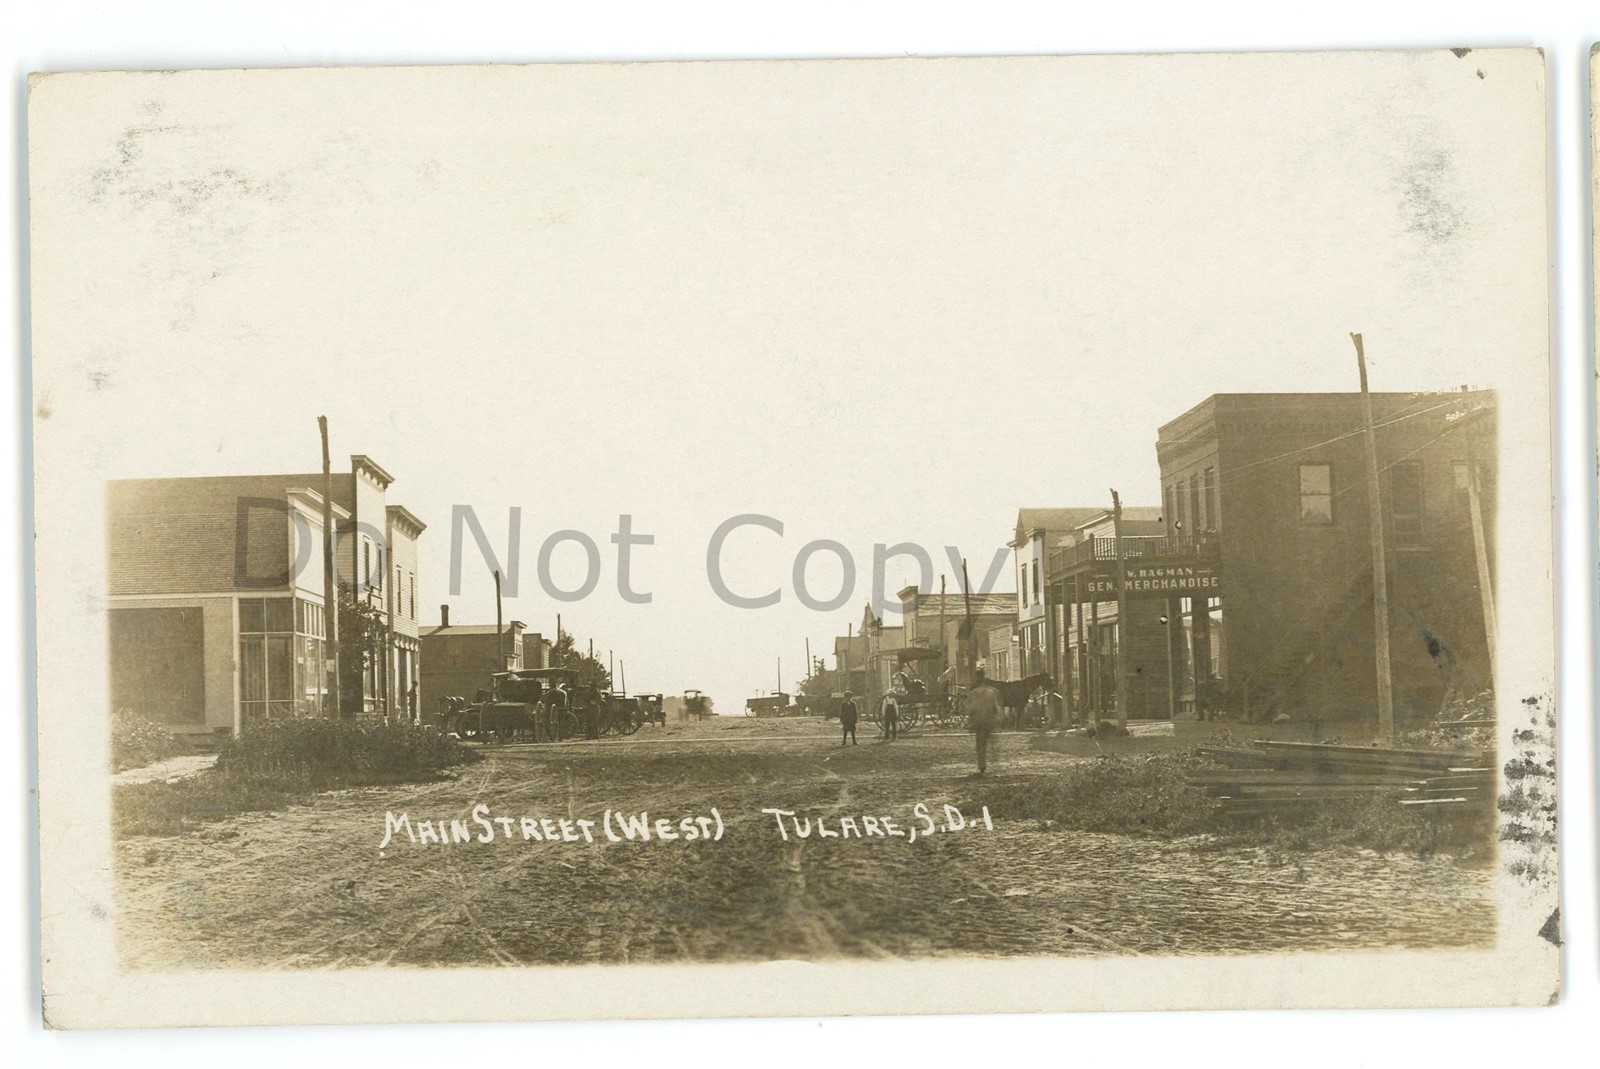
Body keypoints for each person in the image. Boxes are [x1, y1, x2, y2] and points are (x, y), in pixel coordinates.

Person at [964, 669, 1003, 774]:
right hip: (988, 720)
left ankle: (982, 764)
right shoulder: (991, 692)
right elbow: (995, 708)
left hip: (979, 720)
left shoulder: (974, 693)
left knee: (980, 743)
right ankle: (994, 762)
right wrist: (997, 719)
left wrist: (970, 720)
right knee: (990, 741)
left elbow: (971, 709)